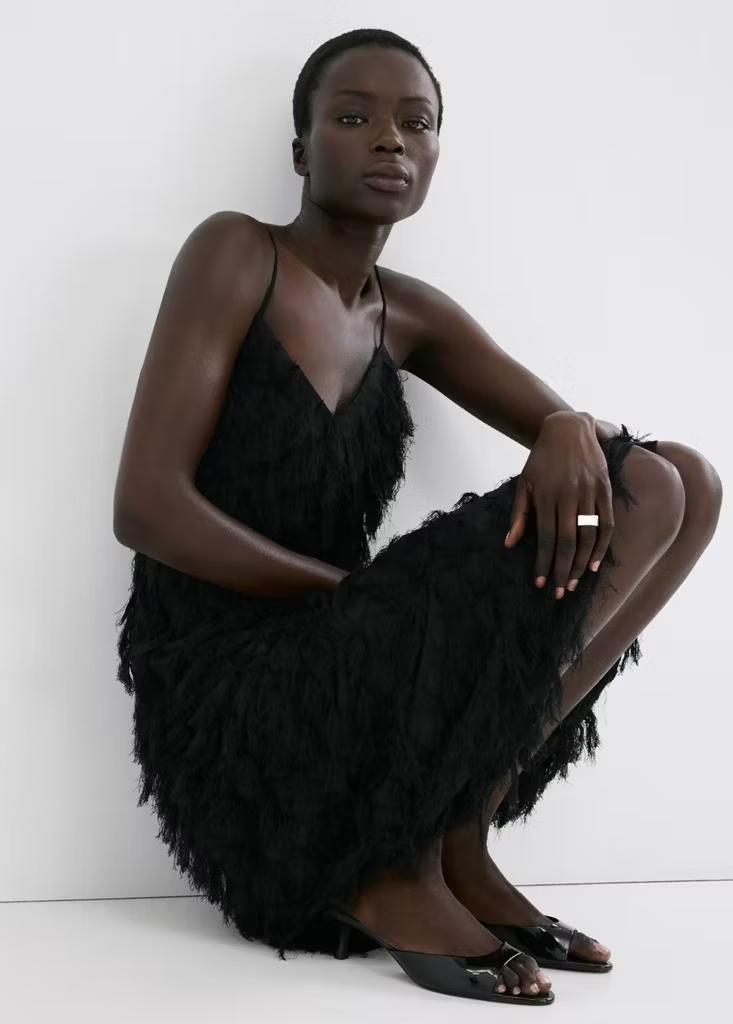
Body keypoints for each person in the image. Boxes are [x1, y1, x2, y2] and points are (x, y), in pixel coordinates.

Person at [112, 28, 722, 1006]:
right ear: (302, 150)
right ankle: (388, 873)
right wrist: (356, 602)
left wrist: (563, 421)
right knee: (651, 483)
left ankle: (457, 830)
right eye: (353, 117)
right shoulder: (237, 253)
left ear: (436, 152)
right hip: (242, 714)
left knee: (683, 482)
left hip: (347, 674)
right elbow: (146, 508)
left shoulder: (410, 313)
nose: (390, 139)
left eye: (416, 122)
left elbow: (612, 461)